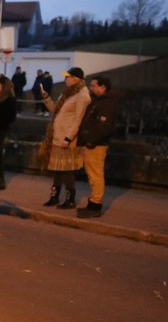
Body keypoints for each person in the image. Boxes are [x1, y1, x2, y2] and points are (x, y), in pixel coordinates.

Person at [39, 66, 92, 209]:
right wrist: (46, 98)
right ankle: (54, 196)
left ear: (76, 79)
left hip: (67, 139)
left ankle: (70, 199)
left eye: (67, 77)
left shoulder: (82, 94)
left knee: (67, 169)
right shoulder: (67, 94)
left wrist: (68, 138)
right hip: (57, 136)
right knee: (57, 168)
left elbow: (78, 119)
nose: (65, 79)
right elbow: (56, 111)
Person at [74, 75, 118, 219]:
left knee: (95, 175)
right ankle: (93, 203)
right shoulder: (101, 101)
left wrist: (90, 142)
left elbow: (104, 127)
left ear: (102, 87)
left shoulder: (107, 103)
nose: (91, 88)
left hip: (97, 145)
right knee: (94, 175)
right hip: (94, 143)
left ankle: (95, 205)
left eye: (94, 86)